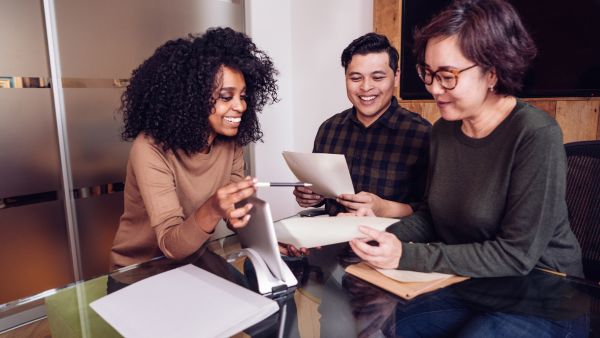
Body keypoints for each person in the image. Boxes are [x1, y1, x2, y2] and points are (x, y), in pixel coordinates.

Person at [349, 0, 583, 278]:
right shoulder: (443, 132)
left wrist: (405, 255)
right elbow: (432, 218)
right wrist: (379, 235)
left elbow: (516, 255)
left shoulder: (535, 134)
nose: (434, 88)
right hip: (469, 279)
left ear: (492, 73)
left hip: (543, 286)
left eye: (447, 76)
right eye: (428, 73)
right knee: (381, 318)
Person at [109, 27, 278, 270]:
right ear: (194, 97)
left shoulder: (231, 143)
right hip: (139, 270)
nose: (240, 106)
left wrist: (271, 245)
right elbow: (170, 244)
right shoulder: (149, 148)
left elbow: (237, 212)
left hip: (194, 260)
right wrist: (213, 207)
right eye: (226, 96)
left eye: (242, 96)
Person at [293, 32, 431, 219]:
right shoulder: (329, 129)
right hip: (331, 239)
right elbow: (323, 193)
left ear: (396, 76)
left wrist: (384, 208)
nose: (366, 87)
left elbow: (431, 213)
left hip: (392, 242)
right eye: (356, 78)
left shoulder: (422, 134)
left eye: (377, 77)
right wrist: (311, 197)